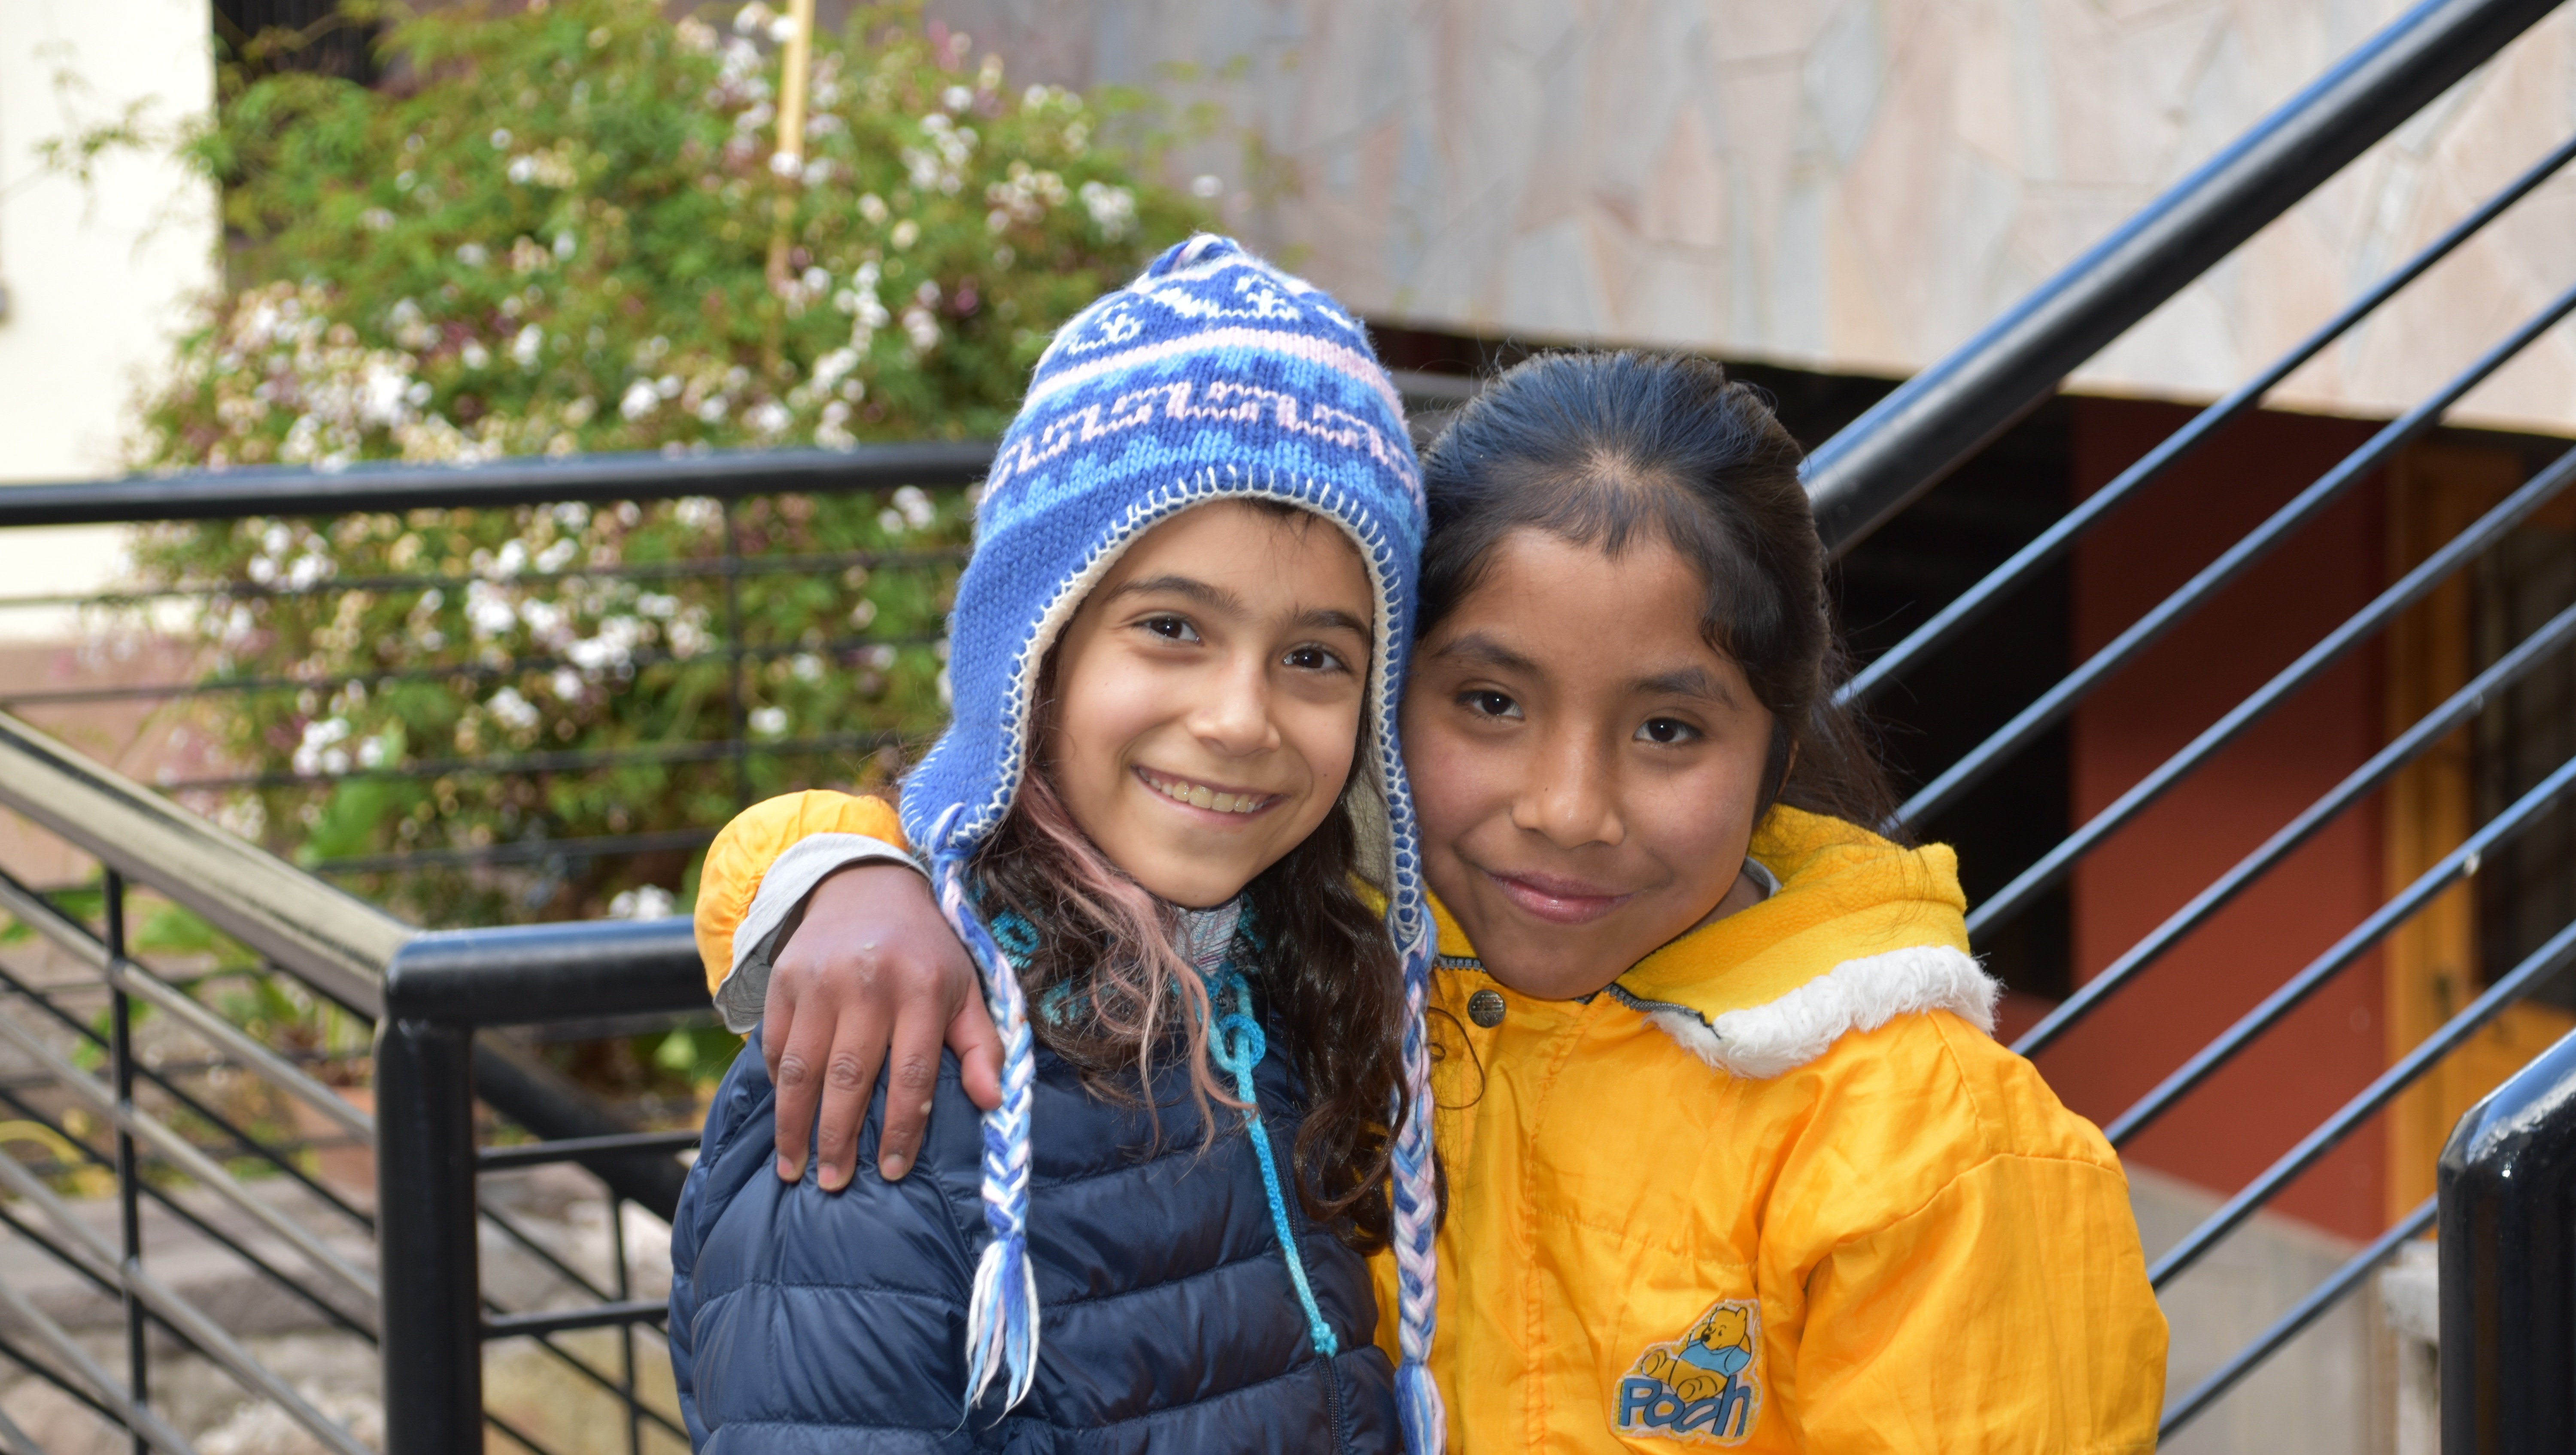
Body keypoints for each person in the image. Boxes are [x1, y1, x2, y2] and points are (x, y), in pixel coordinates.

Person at [703, 351, 2171, 1450]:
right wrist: (840, 868)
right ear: (1391, 710)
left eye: (1668, 729)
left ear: (1776, 751)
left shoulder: (1928, 1145)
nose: (1569, 809)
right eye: (1490, 703)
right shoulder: (1346, 981)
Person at [668, 234, 1448, 1454]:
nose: (1241, 720)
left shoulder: (1303, 987)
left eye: (1314, 657)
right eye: (1173, 627)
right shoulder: (890, 1065)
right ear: (1036, 647)